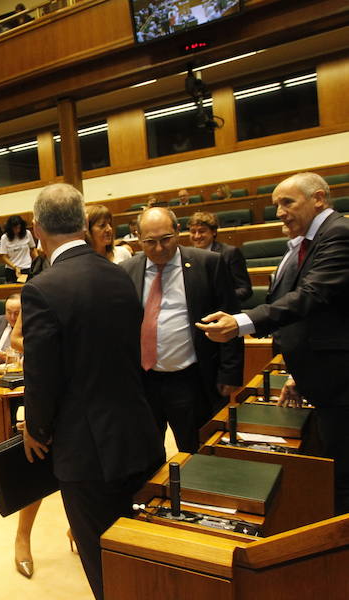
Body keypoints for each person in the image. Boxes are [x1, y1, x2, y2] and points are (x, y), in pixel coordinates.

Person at [22, 183, 164, 600]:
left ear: (37, 229)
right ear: (83, 224)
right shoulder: (121, 275)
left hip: (87, 451)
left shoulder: (43, 288)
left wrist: (36, 427)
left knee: (103, 565)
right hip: (139, 434)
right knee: (141, 557)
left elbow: (41, 373)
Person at [197, 172, 349, 514]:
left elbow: (311, 297)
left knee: (342, 480)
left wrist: (241, 322)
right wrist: (298, 375)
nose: (279, 212)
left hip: (342, 389)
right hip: (326, 380)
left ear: (319, 199)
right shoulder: (305, 241)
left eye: (287, 202)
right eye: (276, 204)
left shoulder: (338, 233)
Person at [119, 207, 243, 454]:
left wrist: (230, 373)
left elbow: (229, 317)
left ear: (178, 231)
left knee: (196, 449)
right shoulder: (127, 270)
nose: (158, 248)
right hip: (144, 381)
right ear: (138, 239)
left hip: (189, 378)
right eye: (150, 242)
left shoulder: (208, 263)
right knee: (145, 452)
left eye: (165, 239)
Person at [188, 211, 252, 302]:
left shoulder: (230, 253)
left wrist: (218, 299)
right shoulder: (187, 255)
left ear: (213, 232)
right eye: (193, 232)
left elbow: (245, 290)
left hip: (223, 311)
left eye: (202, 231)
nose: (197, 236)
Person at [0, 214, 36, 283]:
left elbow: (33, 249)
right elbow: (3, 256)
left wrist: (37, 262)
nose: (17, 230)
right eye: (15, 228)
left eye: (19, 228)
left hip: (27, 267)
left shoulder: (27, 233)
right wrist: (15, 267)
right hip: (12, 269)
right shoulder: (4, 237)